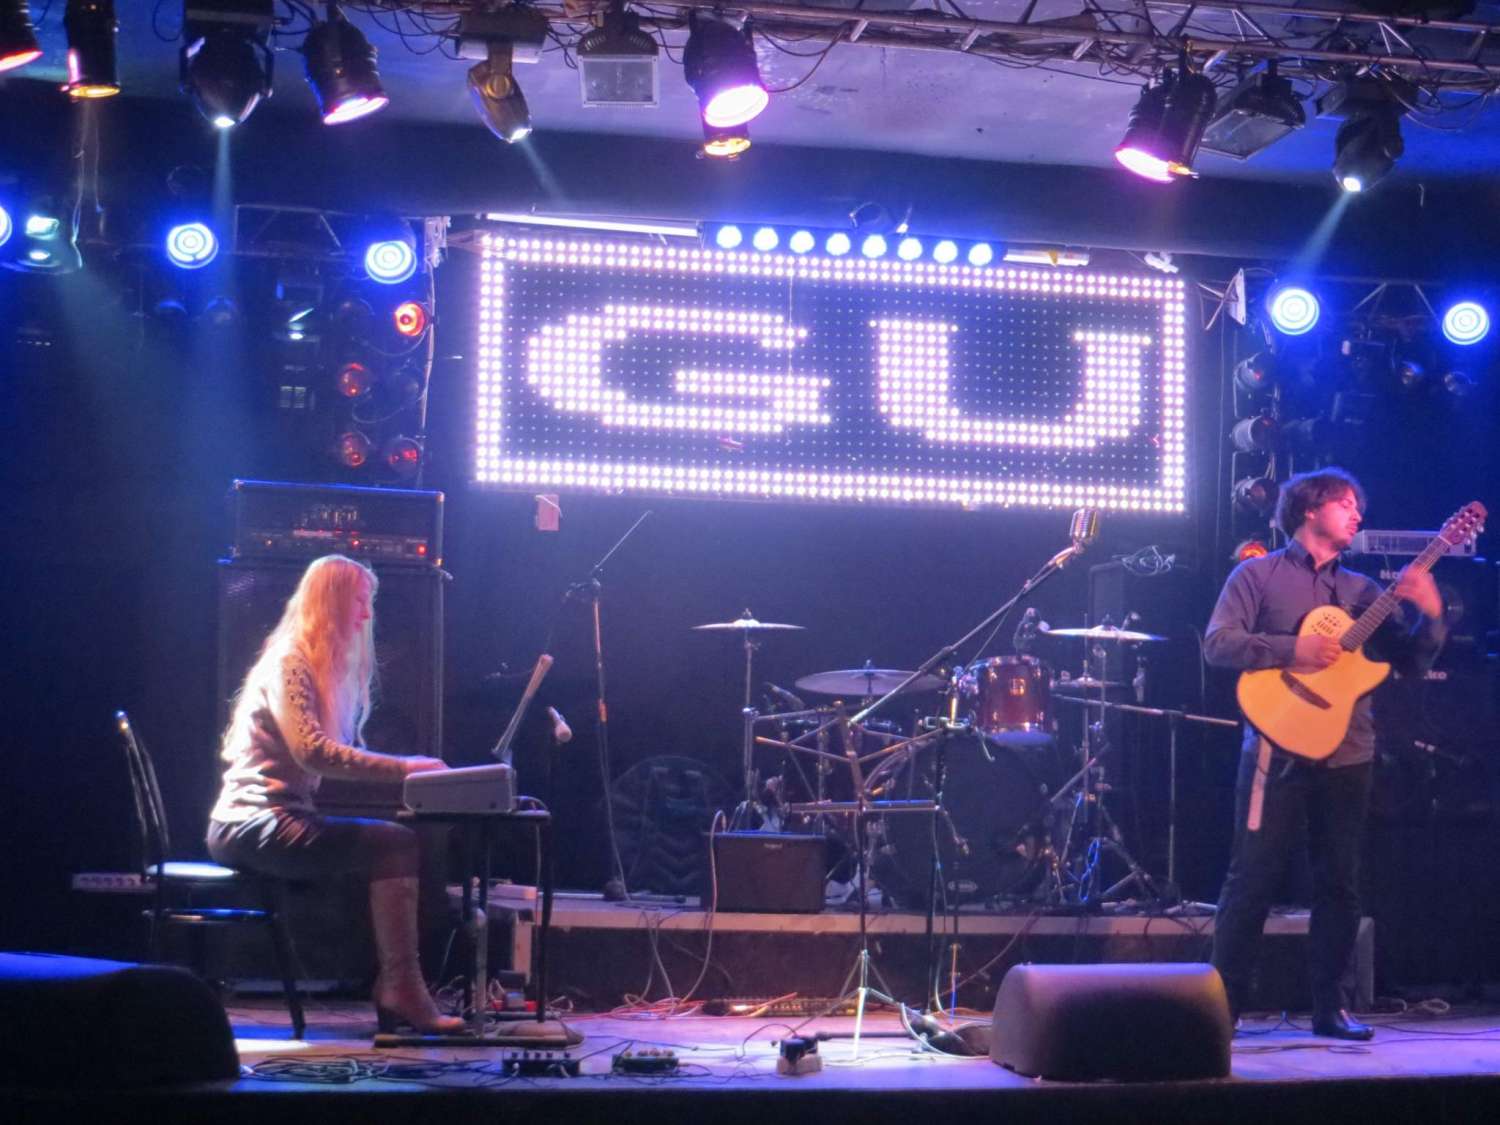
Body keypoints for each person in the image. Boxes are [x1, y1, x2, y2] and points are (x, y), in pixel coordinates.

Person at [1204, 468, 1445, 1040]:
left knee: (1341, 882)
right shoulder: (1256, 575)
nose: (1357, 513)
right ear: (1310, 509)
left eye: (1359, 506)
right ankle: (1220, 1010)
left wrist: (1432, 613)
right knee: (1252, 879)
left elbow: (1411, 663)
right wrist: (1295, 648)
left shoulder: (1364, 593)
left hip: (1349, 751)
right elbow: (1218, 644)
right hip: (1275, 746)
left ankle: (1330, 1008)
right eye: (1345, 503)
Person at [206, 554, 463, 1035]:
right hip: (251, 823)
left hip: (265, 819)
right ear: (333, 602)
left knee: (395, 840)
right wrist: (406, 768)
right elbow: (313, 752)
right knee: (395, 844)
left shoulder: (304, 664)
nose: (367, 615)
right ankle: (401, 988)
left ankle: (400, 985)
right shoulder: (290, 663)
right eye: (360, 601)